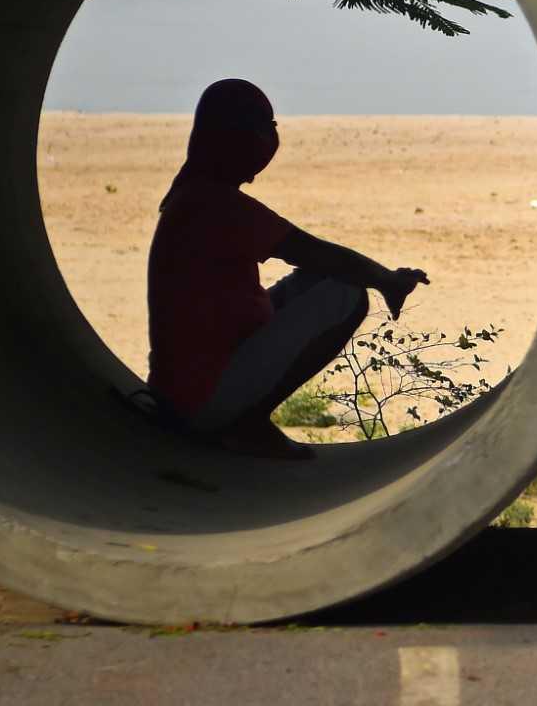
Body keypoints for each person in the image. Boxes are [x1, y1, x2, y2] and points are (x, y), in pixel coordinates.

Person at [147, 79, 429, 460]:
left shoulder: (194, 194)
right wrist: (386, 280)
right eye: (262, 128)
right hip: (206, 401)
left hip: (182, 393)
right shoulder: (216, 205)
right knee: (346, 295)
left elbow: (314, 260)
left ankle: (241, 418)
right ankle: (246, 422)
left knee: (320, 282)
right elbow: (315, 252)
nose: (270, 138)